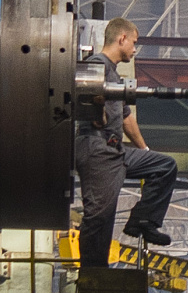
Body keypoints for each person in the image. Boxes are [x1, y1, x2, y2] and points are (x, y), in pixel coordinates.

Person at [74, 17, 178, 267]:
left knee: (164, 166)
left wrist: (144, 150)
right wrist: (98, 113)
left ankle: (143, 220)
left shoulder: (114, 76)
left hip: (116, 150)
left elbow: (126, 118)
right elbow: (85, 100)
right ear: (122, 39)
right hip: (98, 149)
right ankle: (93, 275)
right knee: (100, 216)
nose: (134, 48)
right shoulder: (96, 65)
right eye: (134, 42)